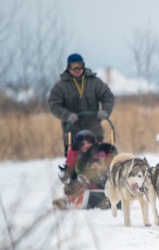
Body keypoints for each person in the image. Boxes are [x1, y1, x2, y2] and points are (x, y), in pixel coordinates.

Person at [48, 53, 115, 181]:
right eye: (74, 67)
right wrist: (67, 116)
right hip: (73, 130)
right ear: (68, 68)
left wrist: (105, 111)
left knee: (100, 155)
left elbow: (108, 96)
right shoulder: (61, 86)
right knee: (78, 157)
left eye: (80, 67)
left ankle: (103, 179)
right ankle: (75, 180)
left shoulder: (94, 82)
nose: (77, 70)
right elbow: (53, 104)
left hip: (94, 128)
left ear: (83, 66)